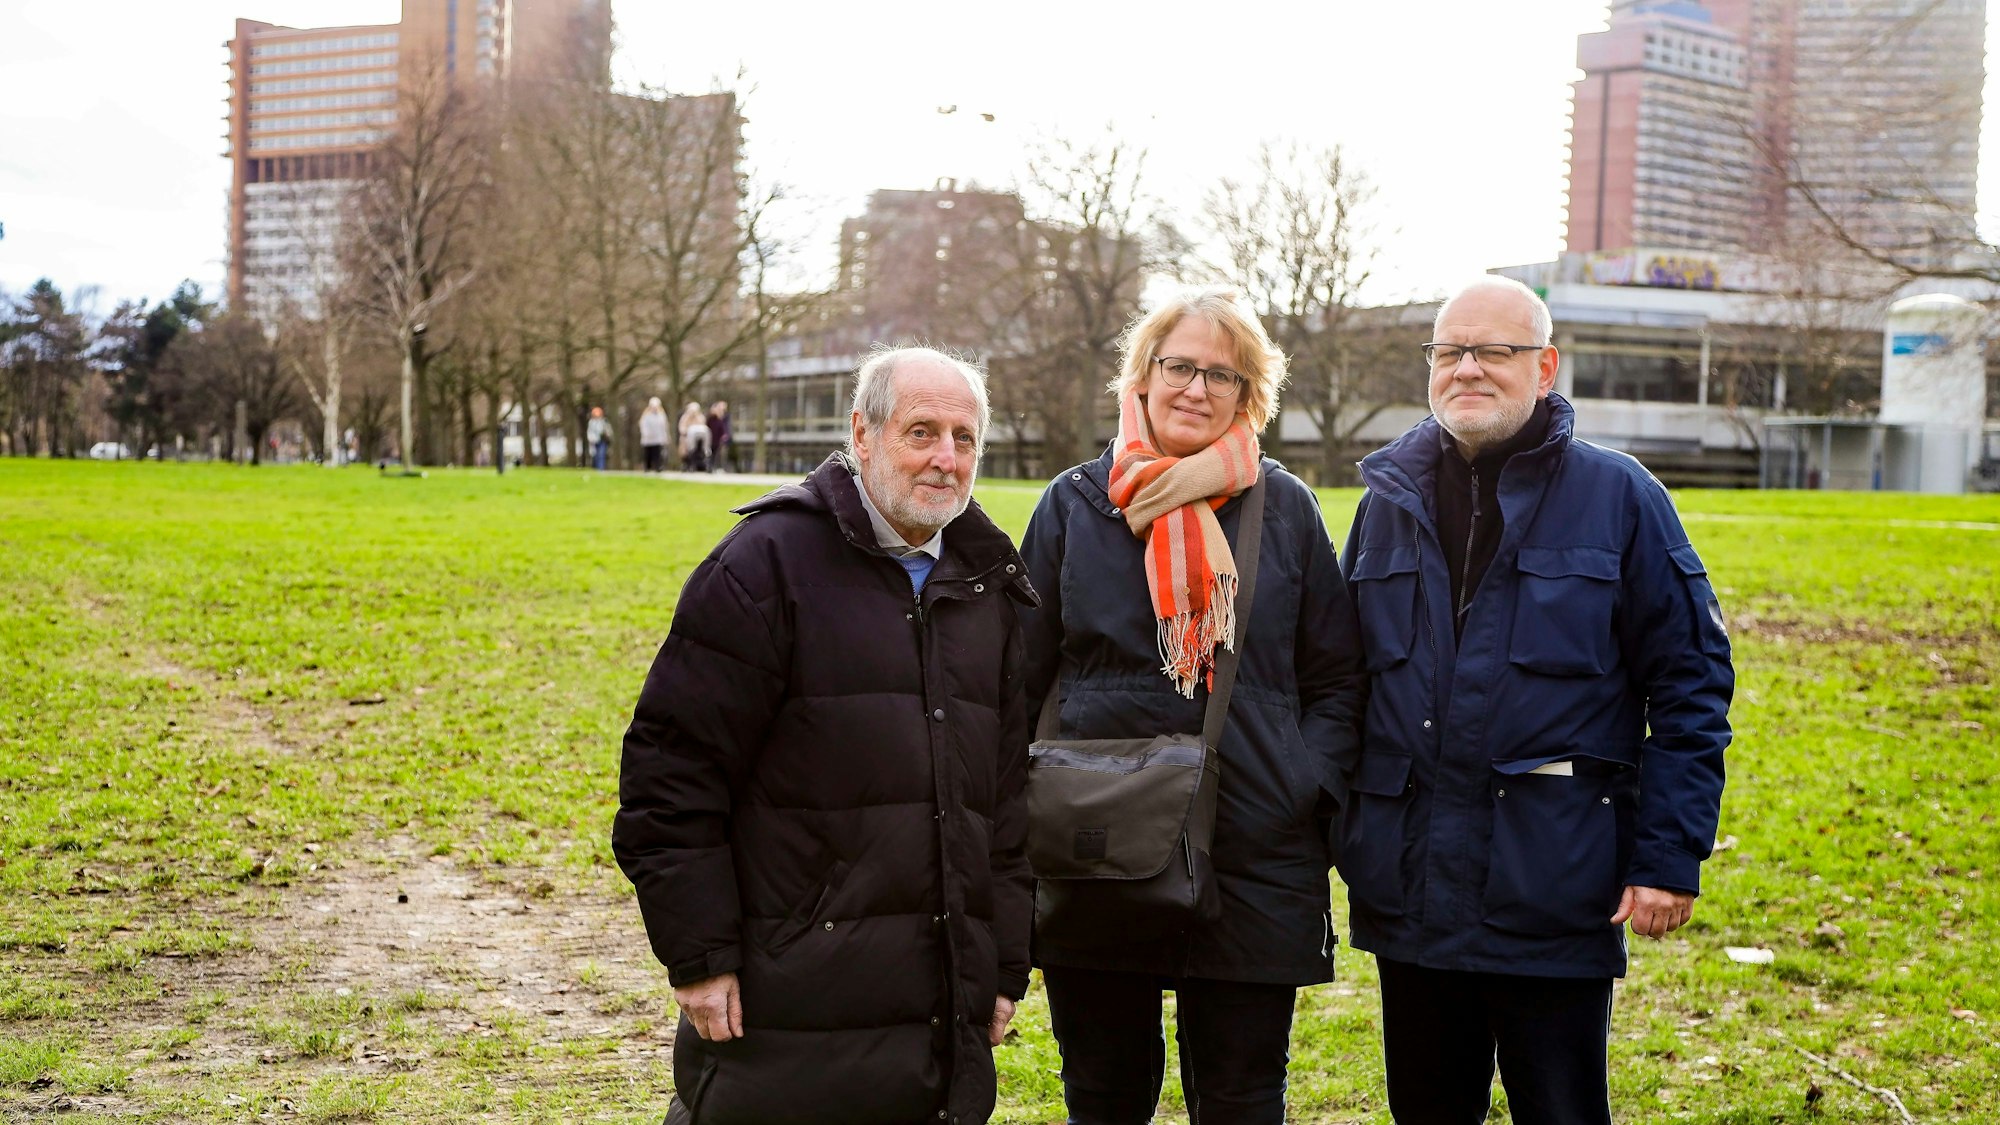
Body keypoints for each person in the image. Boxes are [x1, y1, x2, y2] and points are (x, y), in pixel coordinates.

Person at [1338, 276, 1733, 1125]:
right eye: (1450, 352)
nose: (1467, 368)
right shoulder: (1385, 508)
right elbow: (1343, 683)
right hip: (1411, 894)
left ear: (1544, 366)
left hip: (1554, 885)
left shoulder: (1621, 498)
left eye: (1494, 351)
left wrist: (1668, 854)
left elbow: (1692, 680)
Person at [615, 347, 1036, 1124]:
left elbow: (1005, 807)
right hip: (787, 1007)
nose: (947, 459)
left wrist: (1004, 966)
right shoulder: (763, 565)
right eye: (922, 432)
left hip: (937, 1021)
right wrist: (701, 955)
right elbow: (671, 774)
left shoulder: (991, 588)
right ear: (863, 435)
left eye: (965, 437)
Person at [1016, 286, 1367, 1124]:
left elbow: (1337, 676)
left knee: (1243, 1095)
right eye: (1180, 366)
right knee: (1104, 1094)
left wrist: (1304, 787)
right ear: (1142, 374)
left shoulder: (1285, 507)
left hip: (1254, 843)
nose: (1197, 389)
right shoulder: (1074, 503)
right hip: (1095, 840)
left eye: (1224, 375)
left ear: (1250, 396)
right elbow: (1020, 675)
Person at [639, 397, 670, 473]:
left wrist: (665, 436)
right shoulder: (646, 416)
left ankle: (658, 466)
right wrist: (646, 433)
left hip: (658, 438)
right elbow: (643, 425)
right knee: (648, 453)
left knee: (657, 453)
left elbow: (664, 427)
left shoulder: (661, 415)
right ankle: (647, 466)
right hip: (648, 438)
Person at [678, 402, 710, 472]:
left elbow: (703, 428)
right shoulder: (685, 417)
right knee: (684, 445)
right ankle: (686, 463)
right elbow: (682, 428)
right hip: (686, 438)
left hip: (698, 439)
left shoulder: (700, 417)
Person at [706, 400, 732, 472]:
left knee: (720, 453)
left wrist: (726, 435)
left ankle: (719, 467)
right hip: (711, 437)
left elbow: (726, 427)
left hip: (720, 438)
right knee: (711, 453)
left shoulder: (725, 416)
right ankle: (711, 466)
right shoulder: (711, 418)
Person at [587, 406, 611, 471]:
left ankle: (601, 469)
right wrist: (591, 439)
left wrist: (607, 435)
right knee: (595, 456)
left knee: (601, 454)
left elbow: (608, 431)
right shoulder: (591, 422)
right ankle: (596, 468)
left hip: (602, 441)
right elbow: (590, 432)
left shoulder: (604, 421)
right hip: (594, 441)